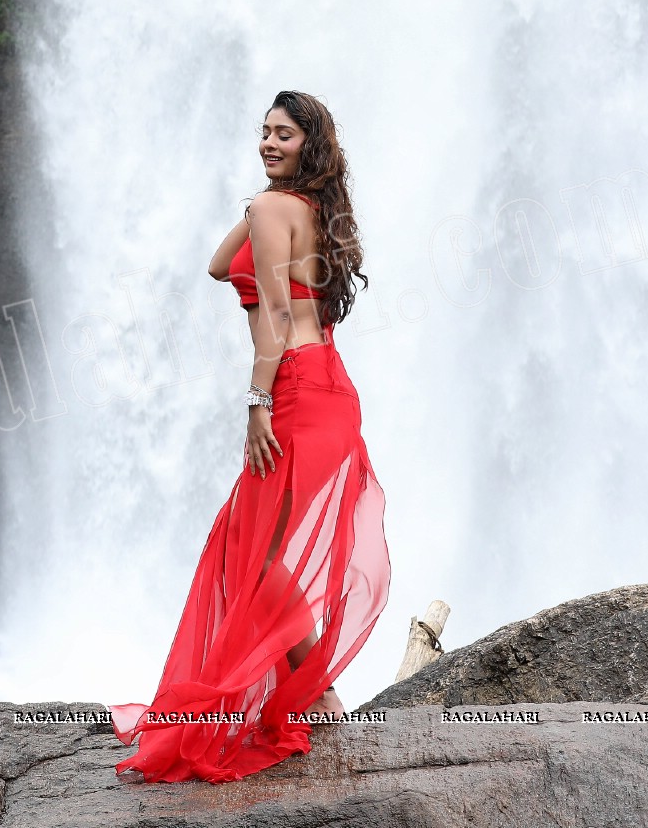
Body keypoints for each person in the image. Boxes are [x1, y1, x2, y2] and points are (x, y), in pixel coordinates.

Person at [110, 90, 391, 784]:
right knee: (254, 548)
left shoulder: (275, 211)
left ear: (309, 145)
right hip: (329, 386)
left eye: (285, 136)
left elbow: (270, 312)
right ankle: (316, 691)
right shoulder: (304, 211)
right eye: (264, 132)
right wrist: (254, 205)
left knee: (257, 552)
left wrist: (256, 403)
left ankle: (317, 692)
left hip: (293, 388)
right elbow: (217, 266)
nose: (269, 143)